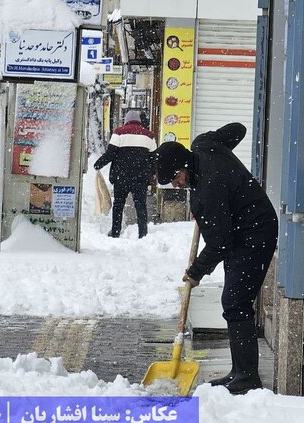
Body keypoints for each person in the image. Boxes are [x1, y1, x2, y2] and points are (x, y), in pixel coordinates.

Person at [154, 123, 278, 394]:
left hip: (255, 233)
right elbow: (239, 129)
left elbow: (219, 244)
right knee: (234, 300)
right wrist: (222, 152)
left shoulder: (208, 192)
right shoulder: (205, 144)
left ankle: (247, 376)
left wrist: (196, 271)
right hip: (240, 230)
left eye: (175, 179)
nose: (176, 185)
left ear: (182, 167)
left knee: (235, 302)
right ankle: (238, 371)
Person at [94, 109, 157, 238]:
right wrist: (152, 174)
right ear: (139, 121)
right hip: (140, 178)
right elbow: (154, 158)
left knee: (118, 205)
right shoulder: (149, 136)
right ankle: (143, 233)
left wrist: (98, 164)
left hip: (121, 176)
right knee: (140, 205)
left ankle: (115, 231)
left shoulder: (119, 133)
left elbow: (110, 154)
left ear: (126, 120)